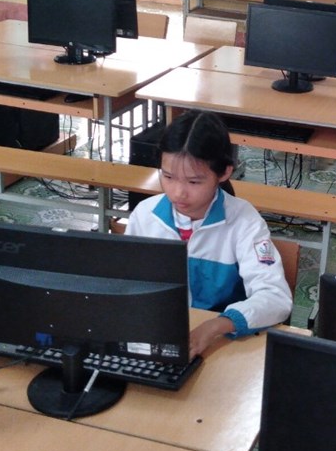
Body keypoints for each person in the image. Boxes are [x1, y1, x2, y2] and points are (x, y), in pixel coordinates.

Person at [125, 110, 292, 357]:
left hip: (225, 344)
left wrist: (216, 326)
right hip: (161, 338)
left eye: (194, 182)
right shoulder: (145, 215)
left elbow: (276, 298)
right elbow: (125, 284)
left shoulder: (244, 222)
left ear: (224, 172)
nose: (178, 193)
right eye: (168, 177)